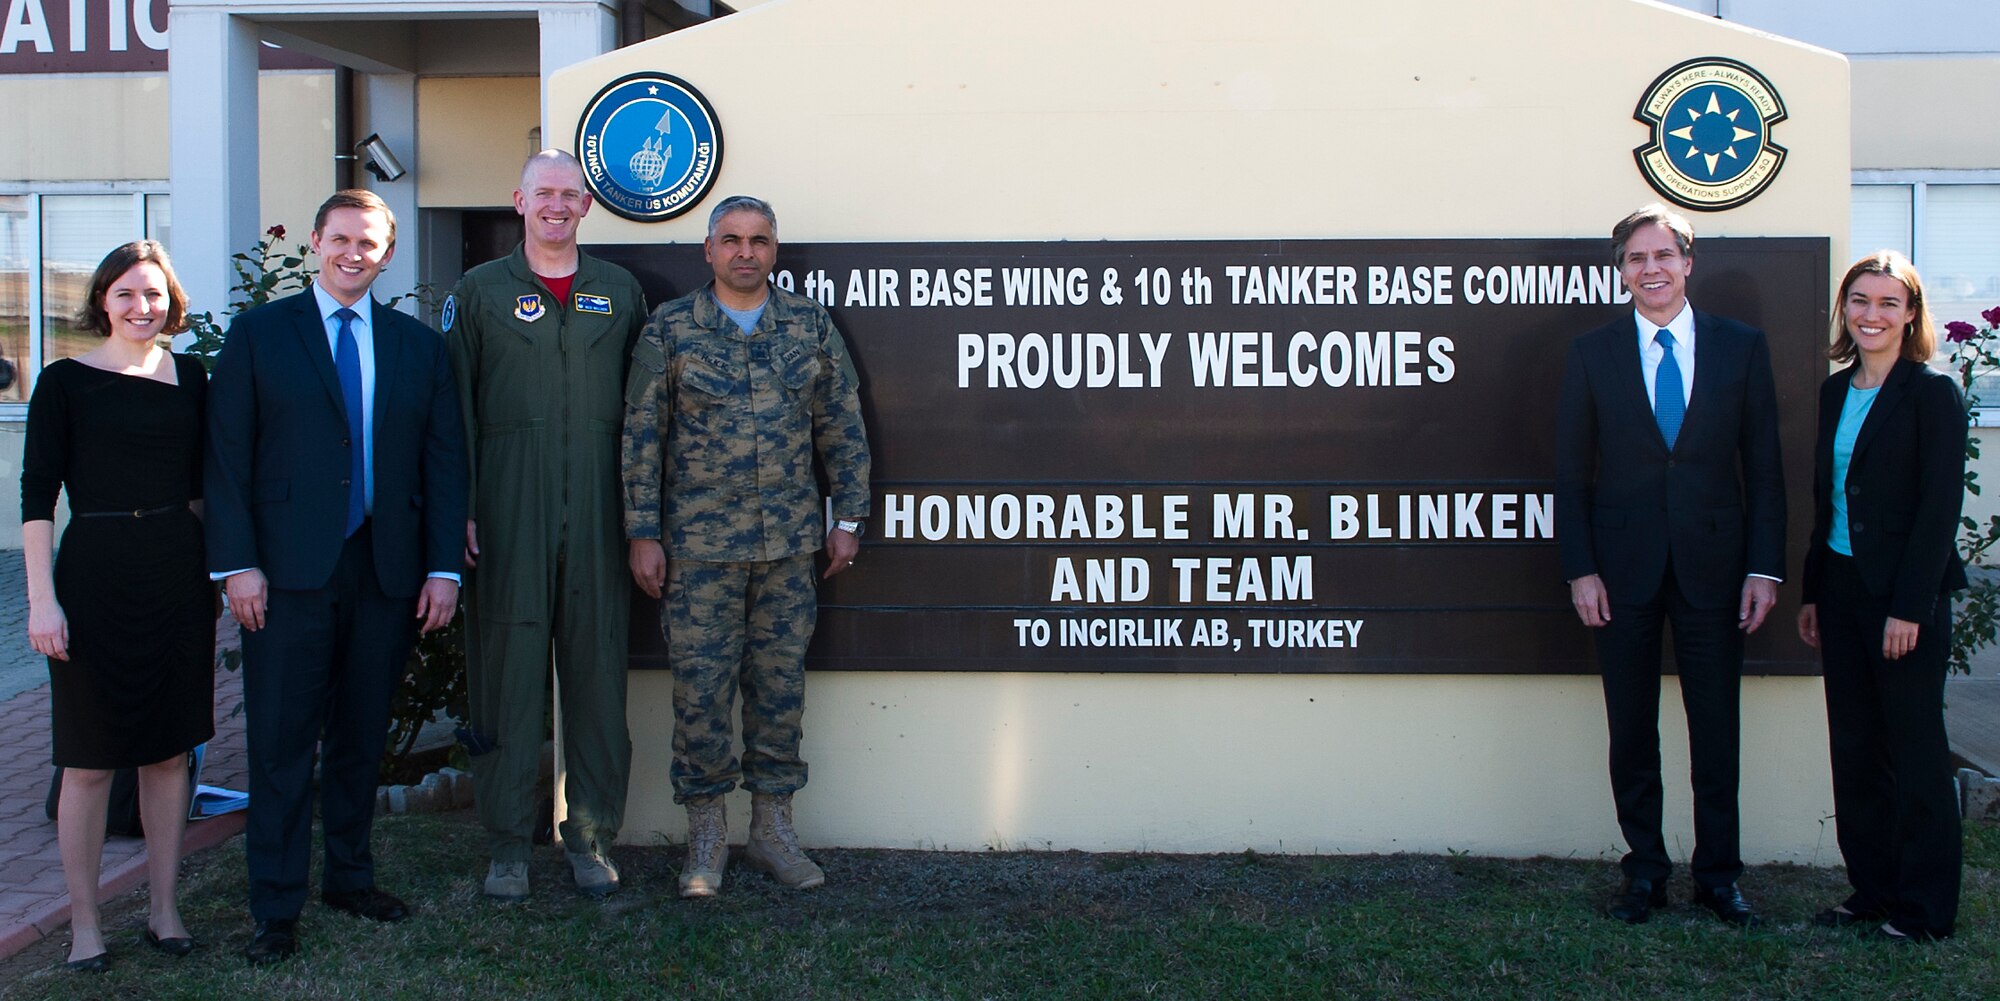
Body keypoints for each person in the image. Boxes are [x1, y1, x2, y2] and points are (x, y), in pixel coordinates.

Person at [205, 189, 468, 964]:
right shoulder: (259, 335)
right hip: (283, 574)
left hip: (385, 570)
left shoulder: (418, 346)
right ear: (318, 241)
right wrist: (237, 564)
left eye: (372, 242)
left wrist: (443, 566)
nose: (356, 253)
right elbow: (226, 458)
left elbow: (443, 461)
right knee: (282, 745)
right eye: (343, 238)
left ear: (389, 254)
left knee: (360, 736)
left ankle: (350, 876)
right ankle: (275, 906)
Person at [623, 195, 871, 898]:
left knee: (780, 693)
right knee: (700, 696)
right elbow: (641, 438)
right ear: (708, 250)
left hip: (790, 549)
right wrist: (643, 531)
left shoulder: (808, 324)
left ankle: (771, 830)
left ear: (774, 249)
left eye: (759, 240)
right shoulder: (670, 330)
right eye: (730, 239)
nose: (745, 252)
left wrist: (848, 515)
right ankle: (706, 839)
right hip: (697, 552)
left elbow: (842, 428)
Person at [1554, 204, 1785, 927]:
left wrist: (1765, 568)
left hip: (1717, 571)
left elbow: (1766, 471)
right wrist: (1580, 567)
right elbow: (1570, 472)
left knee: (1715, 728)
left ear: (1688, 263)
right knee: (1632, 730)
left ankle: (1719, 876)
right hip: (1620, 573)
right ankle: (1644, 872)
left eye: (1662, 255)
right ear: (1620, 271)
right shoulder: (1593, 354)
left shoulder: (1740, 347)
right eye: (1634, 258)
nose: (1649, 269)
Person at [445, 150, 646, 900]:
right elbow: (453, 410)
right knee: (506, 677)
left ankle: (591, 837)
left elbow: (644, 415)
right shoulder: (480, 292)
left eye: (570, 194)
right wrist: (461, 505)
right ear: (519, 200)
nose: (557, 205)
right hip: (505, 511)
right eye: (544, 193)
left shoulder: (619, 292)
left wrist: (640, 514)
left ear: (587, 206)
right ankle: (506, 842)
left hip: (599, 511)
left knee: (596, 678)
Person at [22, 241, 212, 971]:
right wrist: (42, 600)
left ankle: (164, 909)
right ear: (103, 298)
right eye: (128, 293)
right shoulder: (63, 382)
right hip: (92, 575)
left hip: (175, 571)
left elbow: (203, 487)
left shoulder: (191, 377)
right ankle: (85, 923)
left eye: (155, 295)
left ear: (172, 303)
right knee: (90, 759)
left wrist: (222, 575)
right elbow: (37, 497)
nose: (142, 307)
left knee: (169, 752)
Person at [1796, 251, 1966, 942]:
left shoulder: (1932, 392)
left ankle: (1924, 908)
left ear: (1911, 315)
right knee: (1857, 747)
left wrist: (1909, 606)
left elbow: (1938, 508)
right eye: (1860, 301)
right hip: (1840, 590)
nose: (1872, 314)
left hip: (1902, 600)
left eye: (1888, 303)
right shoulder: (1836, 391)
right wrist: (1813, 591)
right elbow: (1827, 499)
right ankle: (1872, 890)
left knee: (1916, 751)